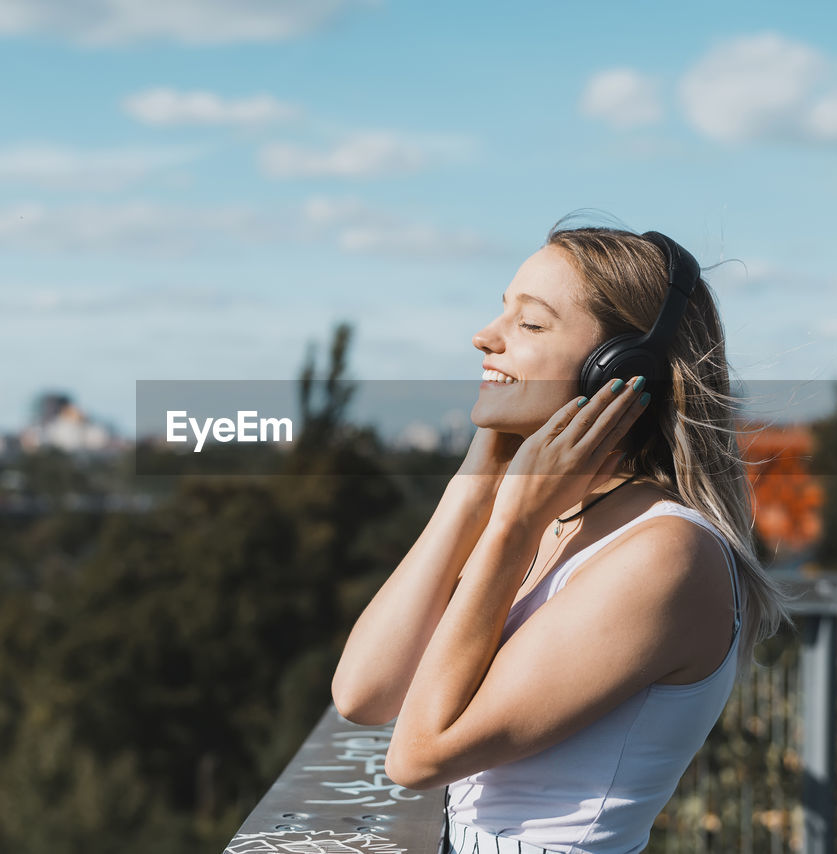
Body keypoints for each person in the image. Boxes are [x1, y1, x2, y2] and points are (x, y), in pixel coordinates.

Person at [331, 218, 790, 853]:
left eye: (530, 324)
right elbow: (364, 693)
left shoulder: (665, 554)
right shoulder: (557, 521)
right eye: (501, 314)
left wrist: (513, 525)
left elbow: (416, 758)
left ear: (618, 372)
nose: (484, 338)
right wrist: (477, 482)